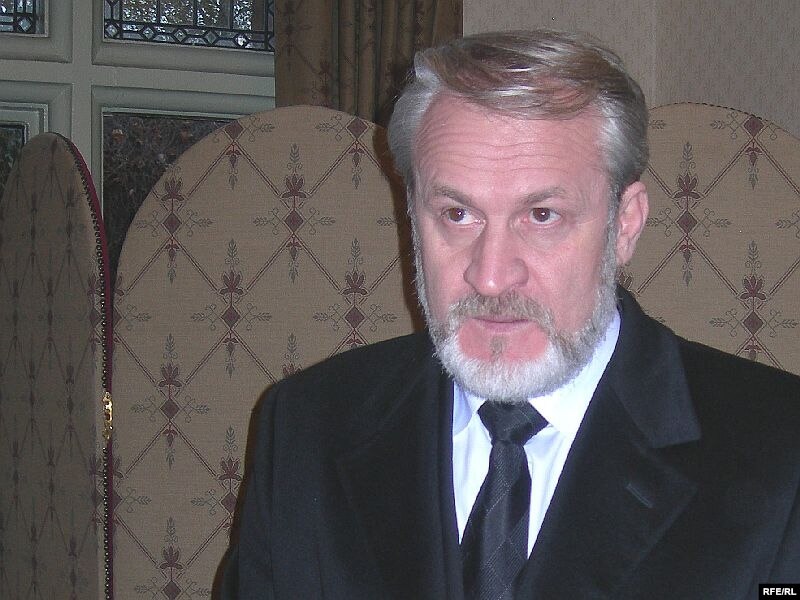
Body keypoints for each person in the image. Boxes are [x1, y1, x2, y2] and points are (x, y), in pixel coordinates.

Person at [220, 30, 800, 599]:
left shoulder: (780, 454)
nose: (491, 276)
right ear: (411, 216)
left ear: (624, 224)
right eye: (457, 214)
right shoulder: (306, 429)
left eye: (541, 215)